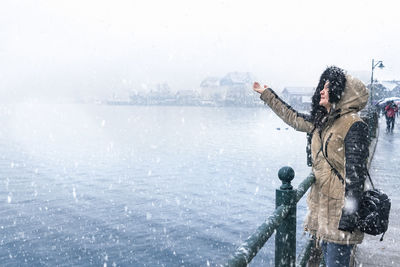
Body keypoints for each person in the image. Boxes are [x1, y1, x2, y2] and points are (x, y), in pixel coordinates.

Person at [253, 66, 369, 267]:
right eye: (322, 87)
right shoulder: (323, 121)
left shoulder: (354, 124)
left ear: (342, 93)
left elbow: (355, 176)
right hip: (322, 209)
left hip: (340, 215)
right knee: (328, 260)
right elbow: (294, 118)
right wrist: (267, 95)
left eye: (328, 87)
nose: (322, 91)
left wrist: (348, 220)